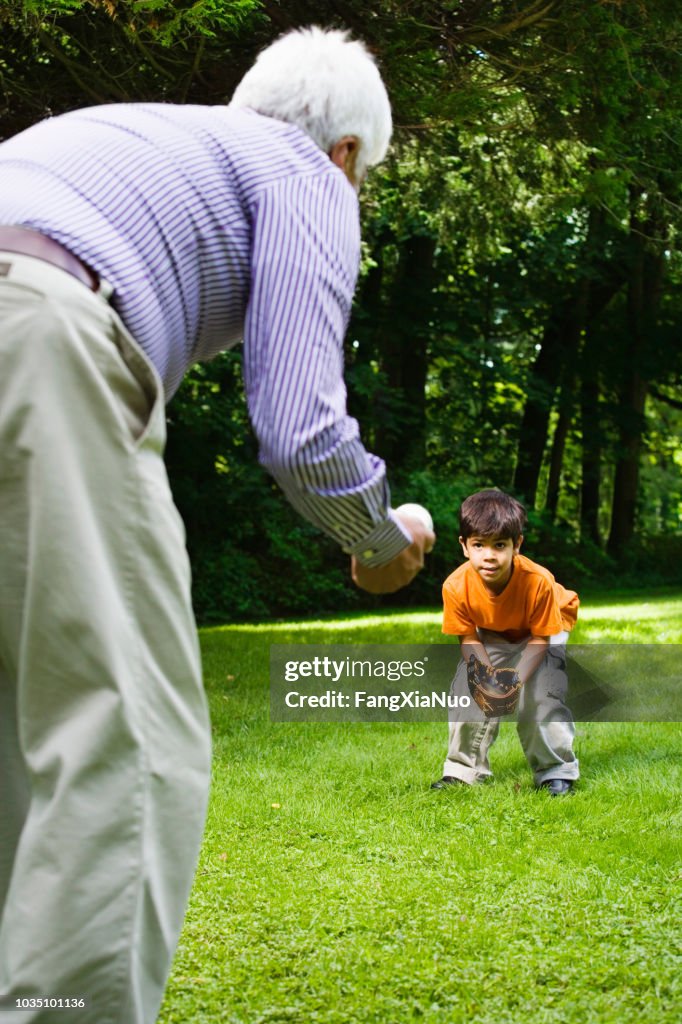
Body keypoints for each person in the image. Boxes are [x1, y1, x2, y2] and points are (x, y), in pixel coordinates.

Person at [0, 27, 435, 1023]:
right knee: (125, 735)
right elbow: (299, 426)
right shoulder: (306, 175)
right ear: (348, 155)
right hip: (37, 333)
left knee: (17, 732)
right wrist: (375, 539)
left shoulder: (137, 137)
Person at [431, 489, 579, 796]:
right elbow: (469, 638)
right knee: (469, 688)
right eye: (479, 545)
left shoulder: (538, 582)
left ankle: (556, 771)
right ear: (464, 546)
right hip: (494, 631)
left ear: (517, 545)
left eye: (500, 545)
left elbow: (540, 637)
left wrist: (513, 681)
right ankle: (462, 770)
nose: (489, 555)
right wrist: (487, 679)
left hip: (544, 630)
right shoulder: (455, 586)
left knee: (541, 691)